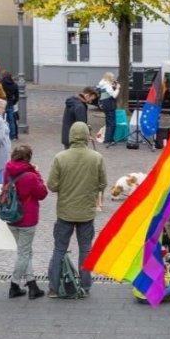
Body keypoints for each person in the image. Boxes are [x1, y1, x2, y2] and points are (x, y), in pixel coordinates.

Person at [46, 122, 107, 298]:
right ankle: (86, 285)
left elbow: (52, 185)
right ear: (87, 136)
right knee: (86, 250)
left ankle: (55, 288)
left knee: (59, 249)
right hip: (87, 212)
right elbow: (103, 183)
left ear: (71, 135)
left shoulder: (60, 157)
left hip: (65, 211)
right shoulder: (96, 158)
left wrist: (65, 187)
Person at [4, 144, 48, 300]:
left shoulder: (8, 170)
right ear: (28, 158)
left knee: (26, 251)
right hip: (27, 219)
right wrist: (37, 173)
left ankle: (32, 285)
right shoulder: (31, 176)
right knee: (24, 253)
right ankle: (14, 285)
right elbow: (42, 193)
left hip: (11, 217)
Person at [96, 72, 120, 145]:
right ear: (108, 78)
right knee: (112, 123)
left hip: (105, 104)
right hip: (110, 104)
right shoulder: (107, 85)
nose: (113, 79)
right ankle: (109, 139)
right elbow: (114, 95)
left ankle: (107, 138)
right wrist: (118, 88)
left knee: (108, 121)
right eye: (112, 77)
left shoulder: (103, 84)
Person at [0, 71, 20, 140]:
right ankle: (12, 136)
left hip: (2, 103)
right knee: (11, 120)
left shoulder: (0, 83)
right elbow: (17, 96)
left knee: (1, 120)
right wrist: (13, 102)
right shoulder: (14, 85)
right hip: (10, 103)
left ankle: (2, 134)